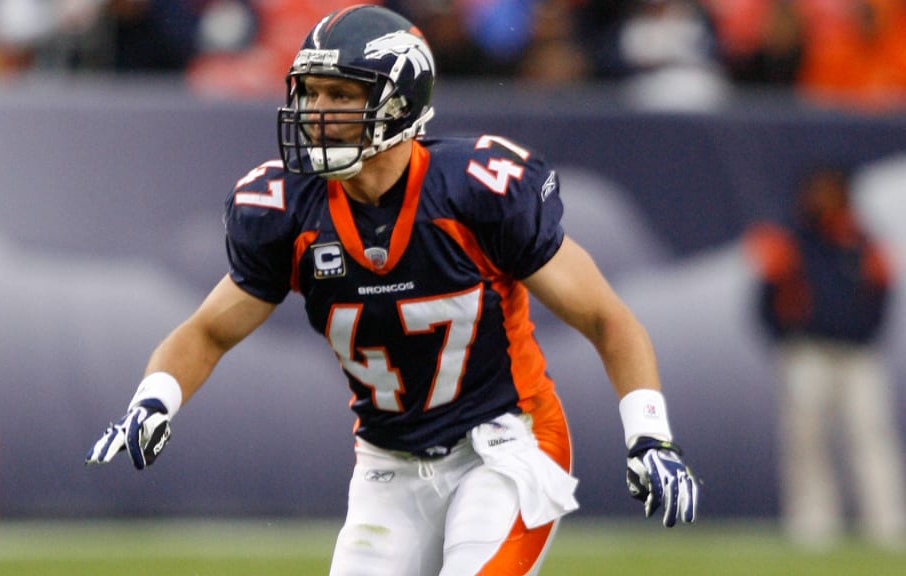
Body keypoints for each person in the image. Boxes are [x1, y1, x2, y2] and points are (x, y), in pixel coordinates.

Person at [85, 5, 700, 574]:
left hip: (505, 447)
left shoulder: (476, 192)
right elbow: (209, 330)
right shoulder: (288, 211)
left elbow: (606, 319)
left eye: (342, 95)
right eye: (310, 92)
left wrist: (649, 434)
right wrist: (155, 399)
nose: (315, 112)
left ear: (400, 103)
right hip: (387, 465)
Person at [745, 165, 906, 550]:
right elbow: (765, 299)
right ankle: (812, 527)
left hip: (858, 357)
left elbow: (882, 294)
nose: (824, 198)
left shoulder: (864, 241)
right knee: (806, 441)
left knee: (871, 437)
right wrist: (787, 341)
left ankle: (886, 524)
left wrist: (865, 335)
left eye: (831, 190)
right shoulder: (788, 239)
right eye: (818, 190)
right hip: (807, 354)